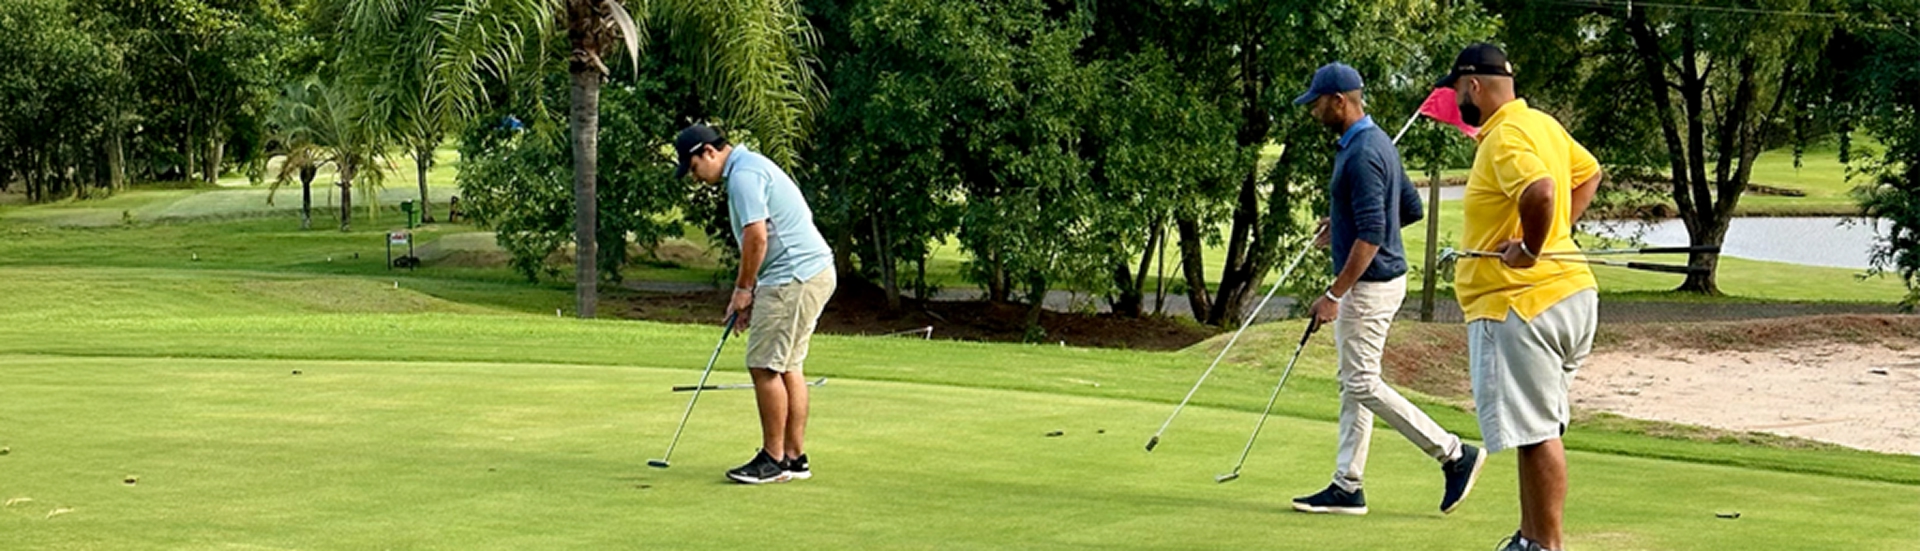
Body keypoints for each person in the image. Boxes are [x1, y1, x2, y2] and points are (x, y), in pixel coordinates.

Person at [1289, 62, 1485, 517]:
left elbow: (1374, 233)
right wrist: (1340, 225)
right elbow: (1409, 209)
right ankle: (1347, 485)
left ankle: (1453, 453)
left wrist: (1334, 295)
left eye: (1318, 102)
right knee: (1352, 384)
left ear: (1340, 100)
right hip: (1380, 281)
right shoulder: (1373, 141)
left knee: (1360, 381)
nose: (1314, 110)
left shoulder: (1361, 153)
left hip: (1369, 287)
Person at [1439, 43, 1602, 551]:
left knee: (1536, 432)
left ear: (1475, 87)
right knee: (1536, 428)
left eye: (1458, 91)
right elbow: (1588, 172)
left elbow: (1541, 191)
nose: (1457, 101)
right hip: (1569, 295)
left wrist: (1533, 248)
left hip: (1521, 304)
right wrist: (1556, 237)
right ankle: (1530, 538)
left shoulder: (1503, 136)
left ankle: (1545, 545)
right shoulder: (1541, 124)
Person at [674, 124, 837, 485]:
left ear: (708, 152)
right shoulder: (751, 166)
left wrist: (744, 290)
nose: (695, 178)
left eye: (694, 168)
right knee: (787, 365)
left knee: (763, 366)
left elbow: (757, 237)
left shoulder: (744, 176)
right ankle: (794, 458)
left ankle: (773, 459)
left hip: (793, 277)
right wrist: (754, 291)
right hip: (808, 272)